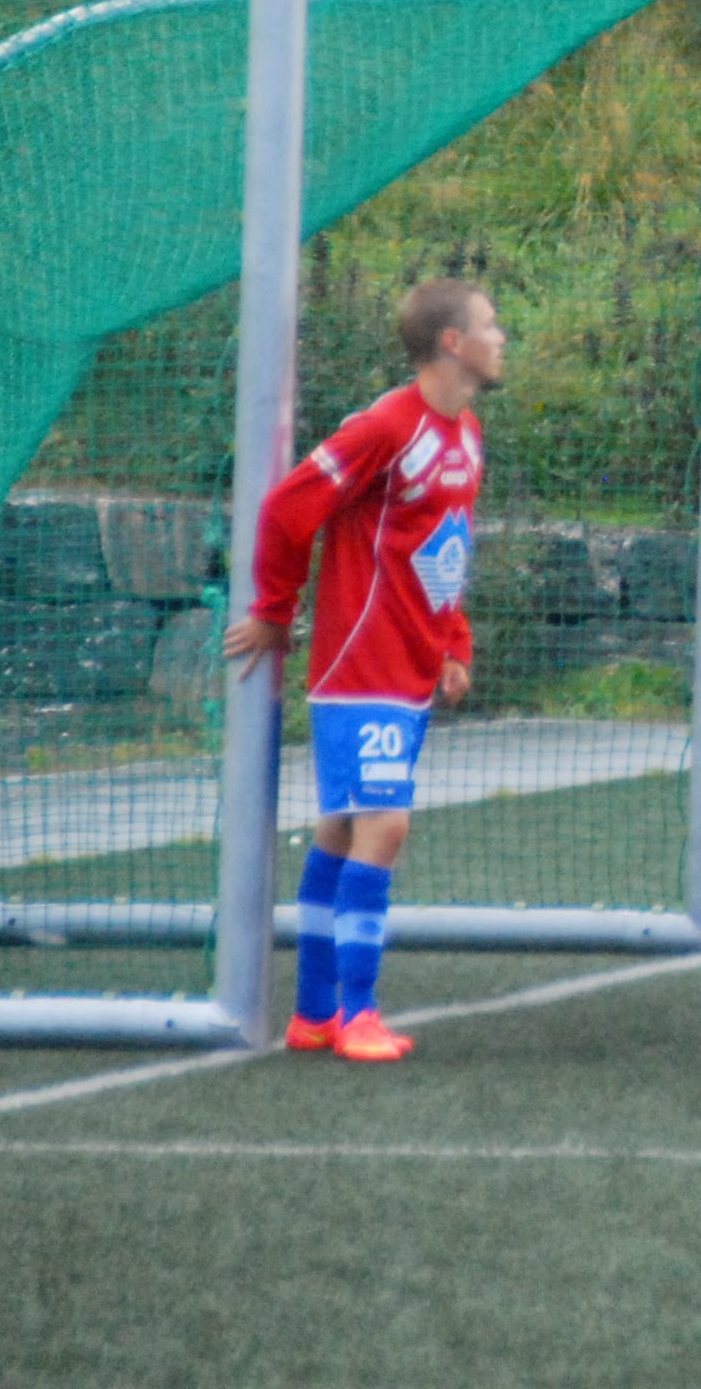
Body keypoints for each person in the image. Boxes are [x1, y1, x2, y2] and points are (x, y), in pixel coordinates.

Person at [224, 278, 499, 1065]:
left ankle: (314, 1014)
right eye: (491, 325)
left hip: (411, 665)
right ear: (452, 343)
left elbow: (447, 542)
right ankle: (357, 1012)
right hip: (360, 663)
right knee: (385, 825)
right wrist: (275, 609)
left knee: (344, 829)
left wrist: (453, 642)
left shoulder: (467, 433)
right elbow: (287, 509)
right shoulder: (386, 426)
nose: (502, 338)